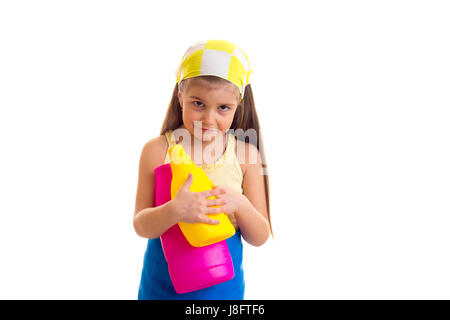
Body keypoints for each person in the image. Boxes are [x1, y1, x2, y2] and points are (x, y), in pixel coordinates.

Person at [133, 39, 272, 300]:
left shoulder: (245, 156)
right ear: (180, 97)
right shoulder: (157, 150)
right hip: (160, 288)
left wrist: (240, 204)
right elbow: (141, 225)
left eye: (223, 108)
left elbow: (260, 236)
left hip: (222, 292)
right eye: (198, 103)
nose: (209, 119)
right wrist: (174, 210)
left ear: (237, 106)